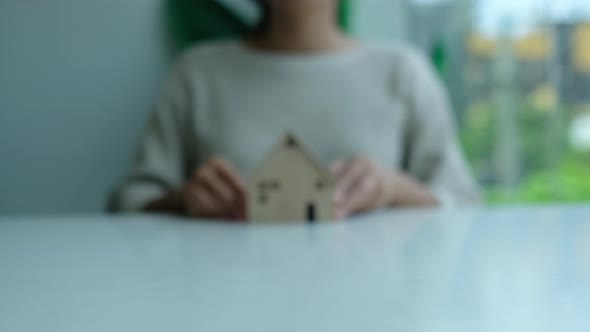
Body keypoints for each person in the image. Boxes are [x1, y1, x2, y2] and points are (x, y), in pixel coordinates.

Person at [111, 0, 481, 220]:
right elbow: (127, 203)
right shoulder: (197, 73)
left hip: (374, 302)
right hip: (228, 302)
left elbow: (464, 205)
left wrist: (394, 189)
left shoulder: (402, 71)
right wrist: (183, 199)